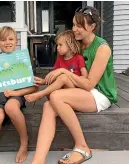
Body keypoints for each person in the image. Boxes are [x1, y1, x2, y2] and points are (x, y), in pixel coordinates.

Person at [31, 6, 117, 164]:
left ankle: (82, 146)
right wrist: (45, 80)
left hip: (100, 94)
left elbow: (89, 83)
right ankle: (38, 160)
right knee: (48, 106)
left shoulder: (102, 48)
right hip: (81, 91)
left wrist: (64, 72)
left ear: (92, 27)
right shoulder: (77, 44)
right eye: (74, 25)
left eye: (79, 26)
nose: (75, 29)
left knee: (56, 96)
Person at [0, 26, 38, 163]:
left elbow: (33, 88)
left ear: (16, 41)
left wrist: (16, 92)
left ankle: (24, 141)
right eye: (3, 40)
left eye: (10, 39)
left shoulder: (22, 60)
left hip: (17, 95)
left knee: (11, 107)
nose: (7, 42)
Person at [25, 30, 88, 102]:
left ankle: (40, 94)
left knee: (63, 77)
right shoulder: (59, 59)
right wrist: (44, 81)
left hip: (76, 89)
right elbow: (54, 76)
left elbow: (85, 77)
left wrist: (71, 78)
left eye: (60, 45)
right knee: (49, 92)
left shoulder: (79, 58)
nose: (57, 48)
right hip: (63, 89)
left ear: (71, 45)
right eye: (57, 45)